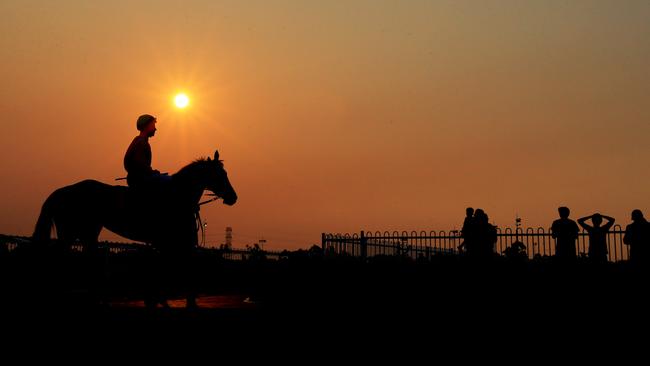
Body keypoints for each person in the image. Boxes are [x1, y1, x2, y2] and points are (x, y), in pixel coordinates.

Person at [123, 114, 171, 189]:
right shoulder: (141, 143)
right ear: (146, 126)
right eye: (153, 125)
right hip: (140, 180)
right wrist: (152, 172)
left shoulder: (138, 141)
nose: (155, 129)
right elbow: (140, 167)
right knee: (170, 180)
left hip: (137, 178)